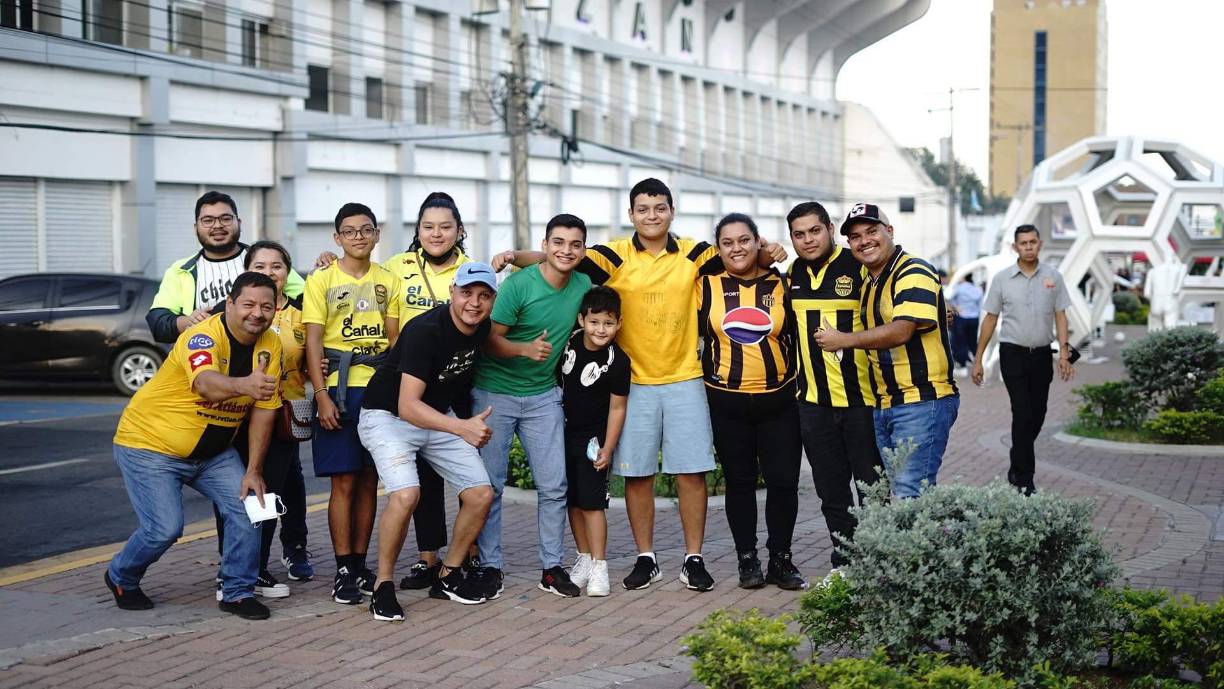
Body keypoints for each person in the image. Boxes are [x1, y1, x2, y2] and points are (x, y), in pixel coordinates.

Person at [576, 178, 786, 592]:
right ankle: (645, 557)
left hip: (686, 377)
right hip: (633, 382)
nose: (651, 215)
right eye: (643, 209)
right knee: (637, 475)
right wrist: (513, 255)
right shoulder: (614, 255)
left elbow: (738, 253)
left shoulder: (695, 252)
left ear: (672, 211)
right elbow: (563, 258)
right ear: (631, 214)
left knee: (692, 473)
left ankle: (694, 558)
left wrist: (770, 249)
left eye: (659, 208)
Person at [106, 272, 282, 620]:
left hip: (213, 454)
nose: (257, 314)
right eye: (248, 304)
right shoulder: (201, 336)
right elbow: (206, 385)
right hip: (149, 446)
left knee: (250, 507)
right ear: (230, 304)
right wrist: (245, 385)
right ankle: (121, 576)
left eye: (266, 306)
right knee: (164, 529)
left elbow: (264, 410)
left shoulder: (271, 345)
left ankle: (236, 592)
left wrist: (254, 470)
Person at [357, 263, 501, 620]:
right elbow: (407, 406)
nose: (474, 303)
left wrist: (527, 350)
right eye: (467, 293)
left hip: (434, 414)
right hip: (387, 416)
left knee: (480, 493)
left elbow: (496, 344)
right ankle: (383, 586)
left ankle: (448, 575)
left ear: (492, 300)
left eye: (484, 296)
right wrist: (463, 428)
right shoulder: (424, 330)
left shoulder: (479, 325)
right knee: (407, 494)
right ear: (452, 291)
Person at [471, 213, 592, 600]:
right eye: (558, 243)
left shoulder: (584, 285)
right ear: (545, 245)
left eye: (575, 244)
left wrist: (512, 254)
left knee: (554, 485)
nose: (566, 251)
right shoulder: (519, 287)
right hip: (495, 395)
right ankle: (490, 567)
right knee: (490, 487)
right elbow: (488, 339)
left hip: (543, 397)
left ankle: (552, 568)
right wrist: (525, 348)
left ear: (583, 249)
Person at [815, 203, 959, 499]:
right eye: (855, 236)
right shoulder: (869, 281)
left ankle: (929, 545)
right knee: (907, 492)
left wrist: (843, 340)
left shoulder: (913, 269)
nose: (864, 240)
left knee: (911, 493)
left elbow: (901, 330)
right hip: (886, 403)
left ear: (889, 231)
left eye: (871, 231)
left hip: (921, 399)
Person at [698, 213, 806, 591]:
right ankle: (747, 560)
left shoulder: (782, 283)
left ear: (758, 241)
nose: (737, 248)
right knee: (739, 483)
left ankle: (781, 559)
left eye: (745, 240)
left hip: (779, 401)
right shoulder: (705, 285)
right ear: (718, 249)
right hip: (727, 402)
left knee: (783, 483)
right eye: (727, 242)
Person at [303, 203, 401, 605]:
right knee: (342, 481)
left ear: (377, 235)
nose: (358, 237)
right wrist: (321, 395)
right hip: (337, 389)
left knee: (368, 480)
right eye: (350, 231)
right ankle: (343, 568)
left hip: (377, 388)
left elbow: (394, 338)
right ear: (337, 238)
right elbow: (312, 340)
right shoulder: (321, 279)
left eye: (366, 230)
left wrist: (395, 390)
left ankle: (360, 564)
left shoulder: (388, 280)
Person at [209, 241, 314, 599]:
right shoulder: (236, 311)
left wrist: (320, 366)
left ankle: (258, 567)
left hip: (283, 417)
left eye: (277, 266)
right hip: (235, 415)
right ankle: (233, 567)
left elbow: (317, 356)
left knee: (268, 494)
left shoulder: (303, 314)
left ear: (288, 272)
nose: (269, 273)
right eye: (260, 265)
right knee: (231, 493)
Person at [786, 201, 881, 575]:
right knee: (831, 492)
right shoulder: (791, 272)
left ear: (829, 228)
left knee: (871, 489)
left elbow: (895, 307)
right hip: (812, 403)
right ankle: (843, 562)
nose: (808, 240)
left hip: (863, 401)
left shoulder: (858, 265)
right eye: (799, 234)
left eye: (815, 231)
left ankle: (875, 562)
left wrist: (944, 304)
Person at [971, 224, 1075, 495]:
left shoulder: (1053, 277)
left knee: (1037, 415)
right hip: (1012, 353)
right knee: (1022, 412)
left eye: (1032, 242)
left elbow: (1061, 316)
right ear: (1015, 247)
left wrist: (1064, 353)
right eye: (1023, 243)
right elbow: (990, 318)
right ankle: (1024, 480)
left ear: (1039, 244)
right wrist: (979, 358)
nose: (1028, 247)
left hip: (1042, 355)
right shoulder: (1003, 279)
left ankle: (1017, 463)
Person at [146, 190, 304, 344]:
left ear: (239, 223)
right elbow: (157, 322)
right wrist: (186, 322)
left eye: (226, 219)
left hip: (265, 355)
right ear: (196, 228)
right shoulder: (181, 270)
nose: (217, 225)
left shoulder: (263, 259)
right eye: (208, 220)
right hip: (206, 361)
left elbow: (307, 300)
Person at [556, 286, 630, 597]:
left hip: (593, 441)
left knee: (592, 503)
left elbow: (617, 408)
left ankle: (600, 565)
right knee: (572, 500)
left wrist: (608, 448)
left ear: (619, 324)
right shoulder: (570, 340)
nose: (601, 329)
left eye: (608, 323)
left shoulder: (617, 360)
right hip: (562, 434)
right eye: (595, 321)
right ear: (581, 320)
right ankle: (583, 557)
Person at [949, 274, 983, 374]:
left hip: (962, 317)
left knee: (961, 342)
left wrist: (956, 306)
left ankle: (962, 366)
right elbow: (980, 304)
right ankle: (978, 362)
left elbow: (949, 297)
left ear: (963, 277)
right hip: (974, 318)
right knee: (973, 341)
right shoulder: (976, 289)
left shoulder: (959, 288)